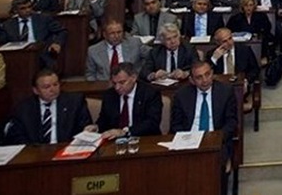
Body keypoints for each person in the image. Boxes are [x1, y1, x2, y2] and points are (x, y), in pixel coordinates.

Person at [171, 61, 237, 194]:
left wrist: (217, 138)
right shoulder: (181, 95)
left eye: (207, 74)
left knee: (214, 167)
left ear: (212, 73)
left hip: (217, 141)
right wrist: (188, 138)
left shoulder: (225, 91)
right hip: (189, 141)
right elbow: (175, 125)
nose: (205, 80)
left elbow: (232, 122)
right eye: (199, 77)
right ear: (192, 80)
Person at [4, 68, 91, 145]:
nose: (52, 90)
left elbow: (84, 128)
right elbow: (17, 137)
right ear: (36, 90)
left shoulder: (75, 102)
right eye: (46, 87)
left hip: (66, 151)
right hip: (35, 155)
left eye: (55, 84)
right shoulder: (24, 108)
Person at [87, 62, 163, 139]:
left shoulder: (150, 93)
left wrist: (125, 131)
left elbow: (152, 123)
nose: (117, 87)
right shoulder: (110, 95)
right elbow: (104, 119)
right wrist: (97, 127)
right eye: (114, 83)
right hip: (115, 141)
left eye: (122, 82)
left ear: (133, 78)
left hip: (144, 139)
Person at [0, 0, 66, 69]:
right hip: (17, 55)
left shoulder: (43, 19)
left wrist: (57, 43)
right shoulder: (7, 25)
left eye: (29, 7)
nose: (27, 10)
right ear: (15, 11)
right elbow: (3, 41)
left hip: (41, 53)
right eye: (23, 8)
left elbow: (61, 31)